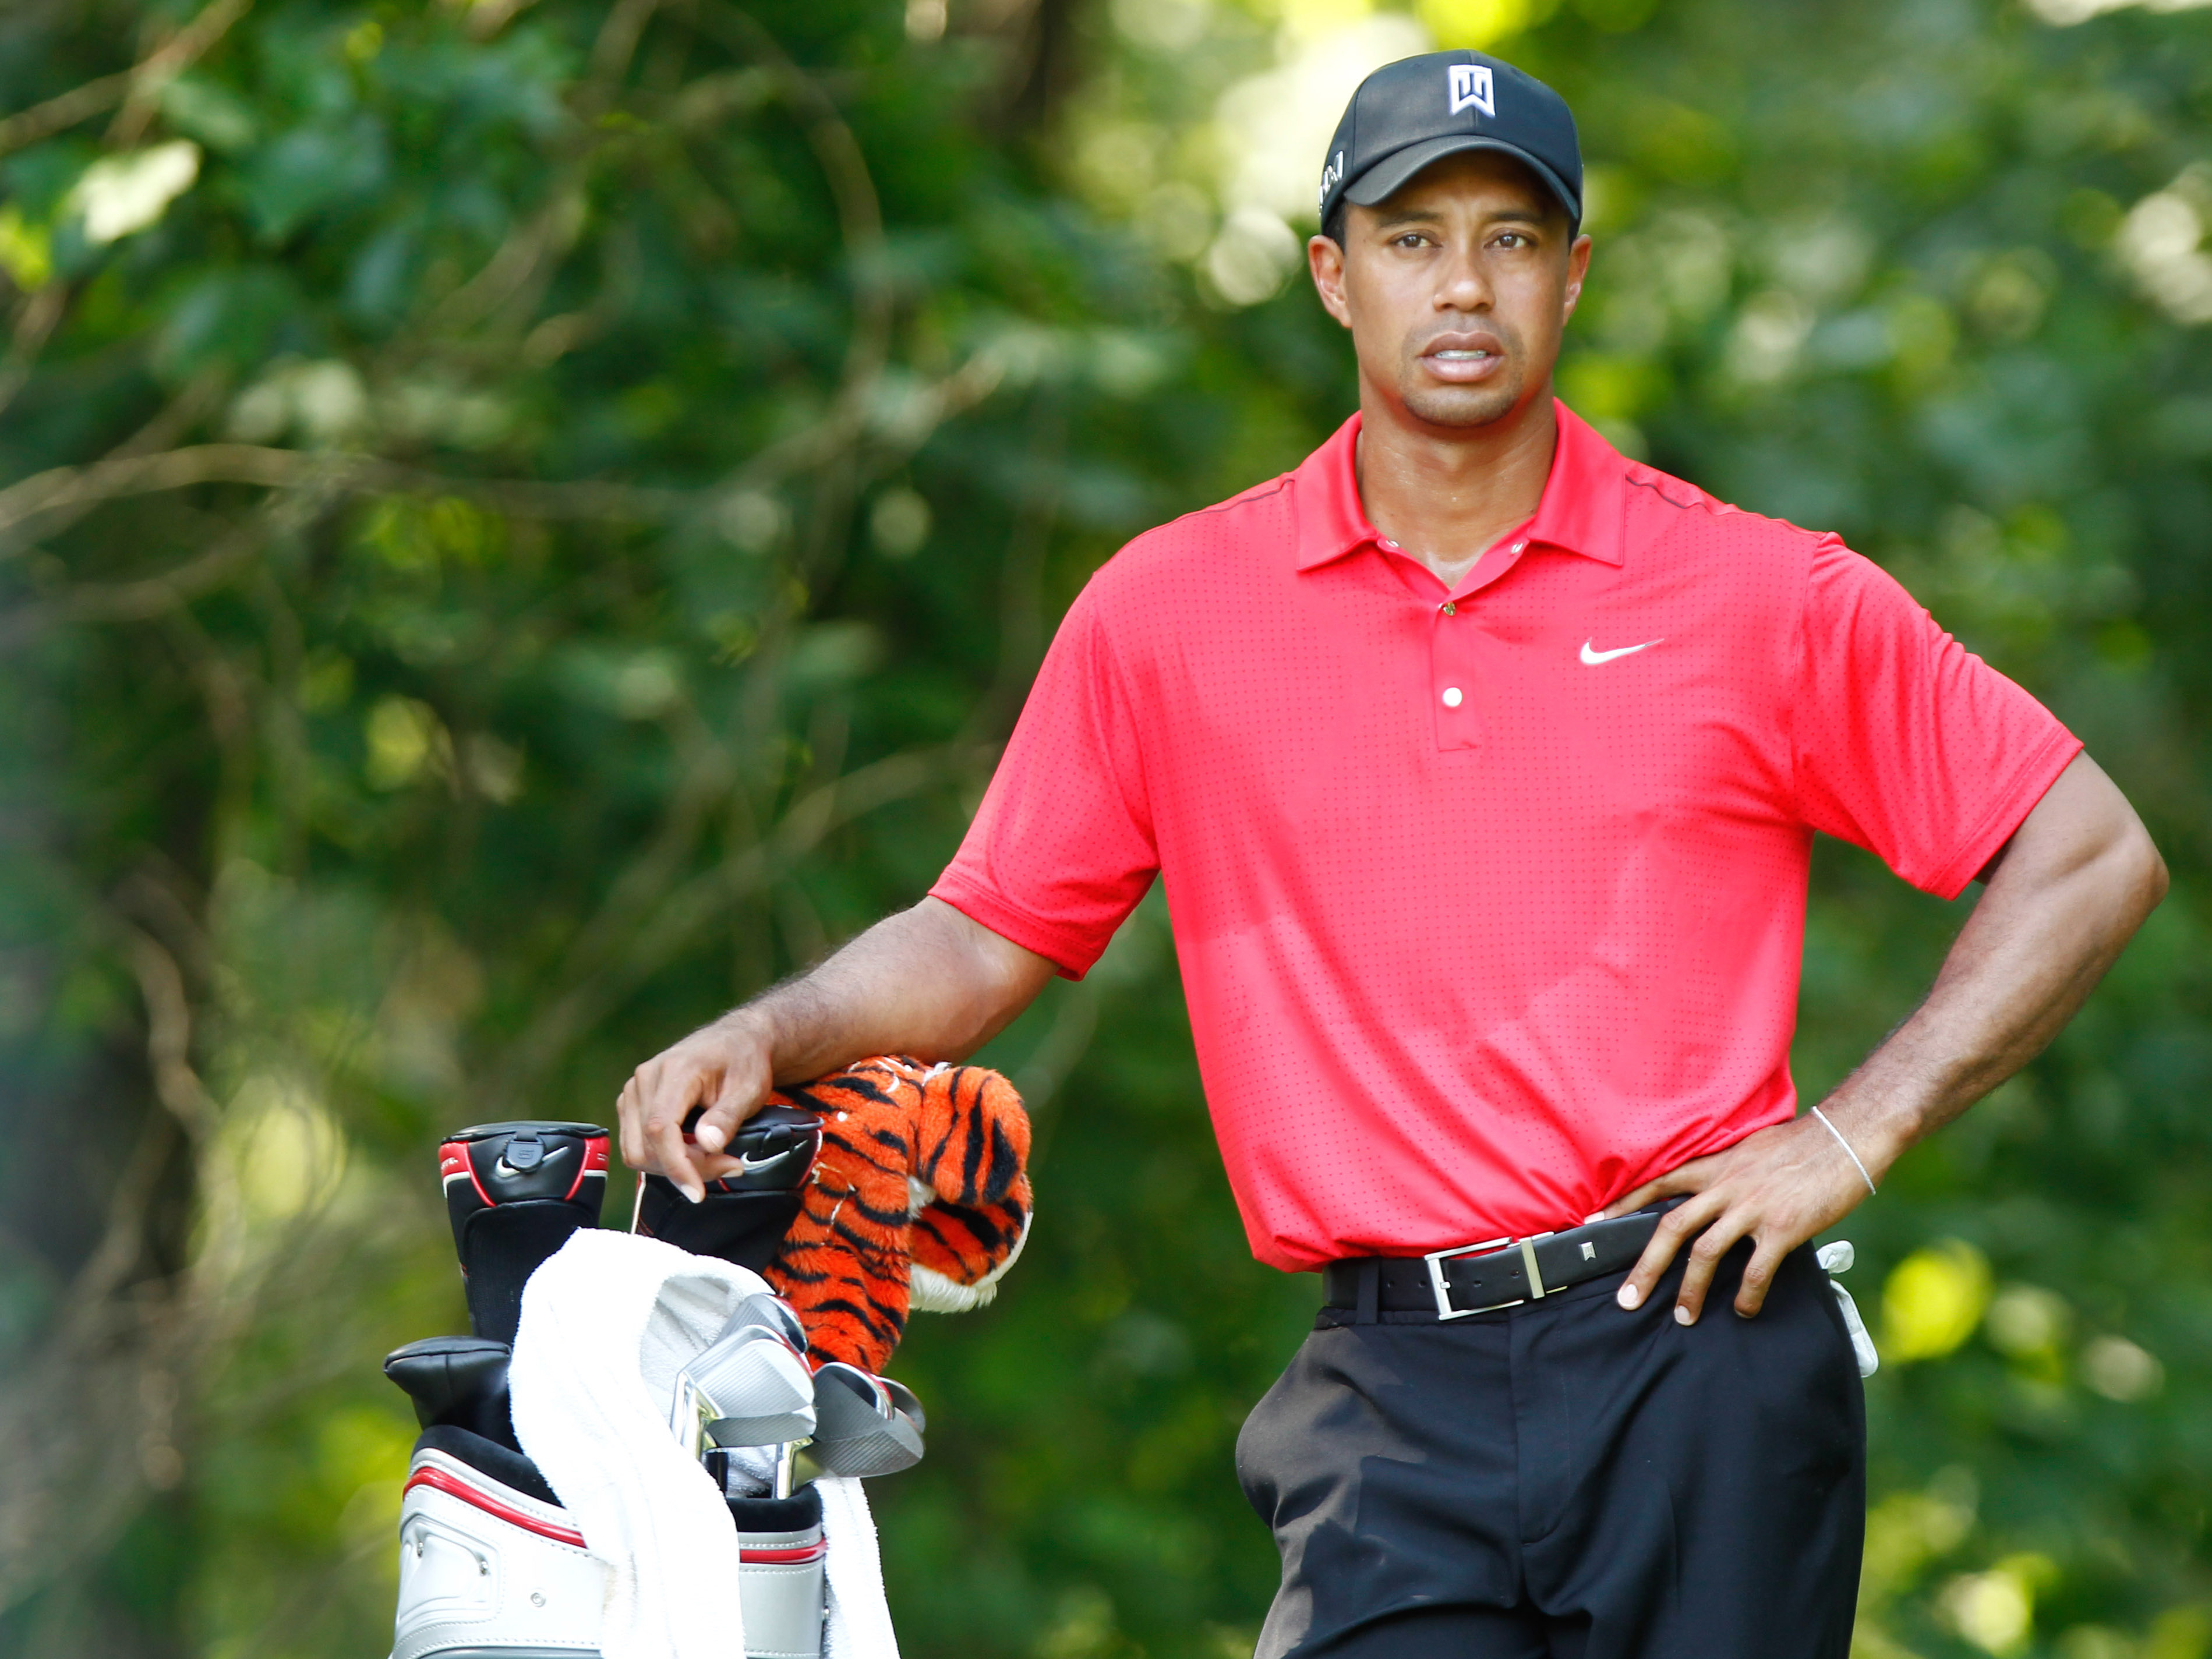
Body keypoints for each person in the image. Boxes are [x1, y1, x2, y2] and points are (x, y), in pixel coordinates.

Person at [617, 48, 2168, 1659]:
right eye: (1414, 237)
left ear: (1573, 276)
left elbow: (2089, 851)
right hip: (1386, 1399)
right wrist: (772, 1031)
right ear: (1333, 275)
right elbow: (983, 929)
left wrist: (1851, 1134)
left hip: (1697, 1346)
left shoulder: (1759, 594)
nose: (1465, 283)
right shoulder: (1171, 612)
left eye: (1512, 238)